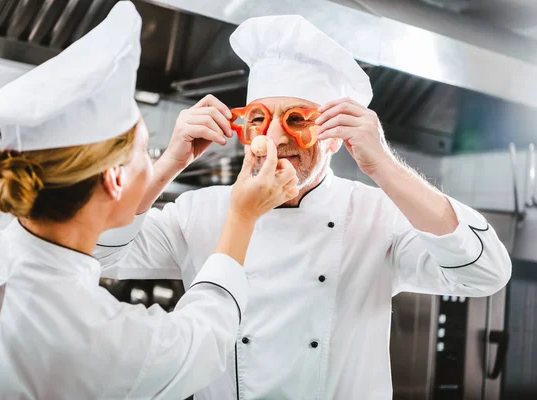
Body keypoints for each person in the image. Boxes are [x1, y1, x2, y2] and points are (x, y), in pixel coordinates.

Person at [94, 14, 513, 400]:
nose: (274, 138)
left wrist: (381, 164)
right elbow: (95, 255)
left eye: (297, 120)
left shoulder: (375, 216)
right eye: (258, 118)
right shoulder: (198, 212)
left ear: (333, 136)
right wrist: (169, 163)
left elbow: (486, 273)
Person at [0, 4, 299, 400]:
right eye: (146, 152)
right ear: (114, 177)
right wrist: (242, 215)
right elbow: (202, 340)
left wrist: (169, 162)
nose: (152, 162)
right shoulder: (95, 337)